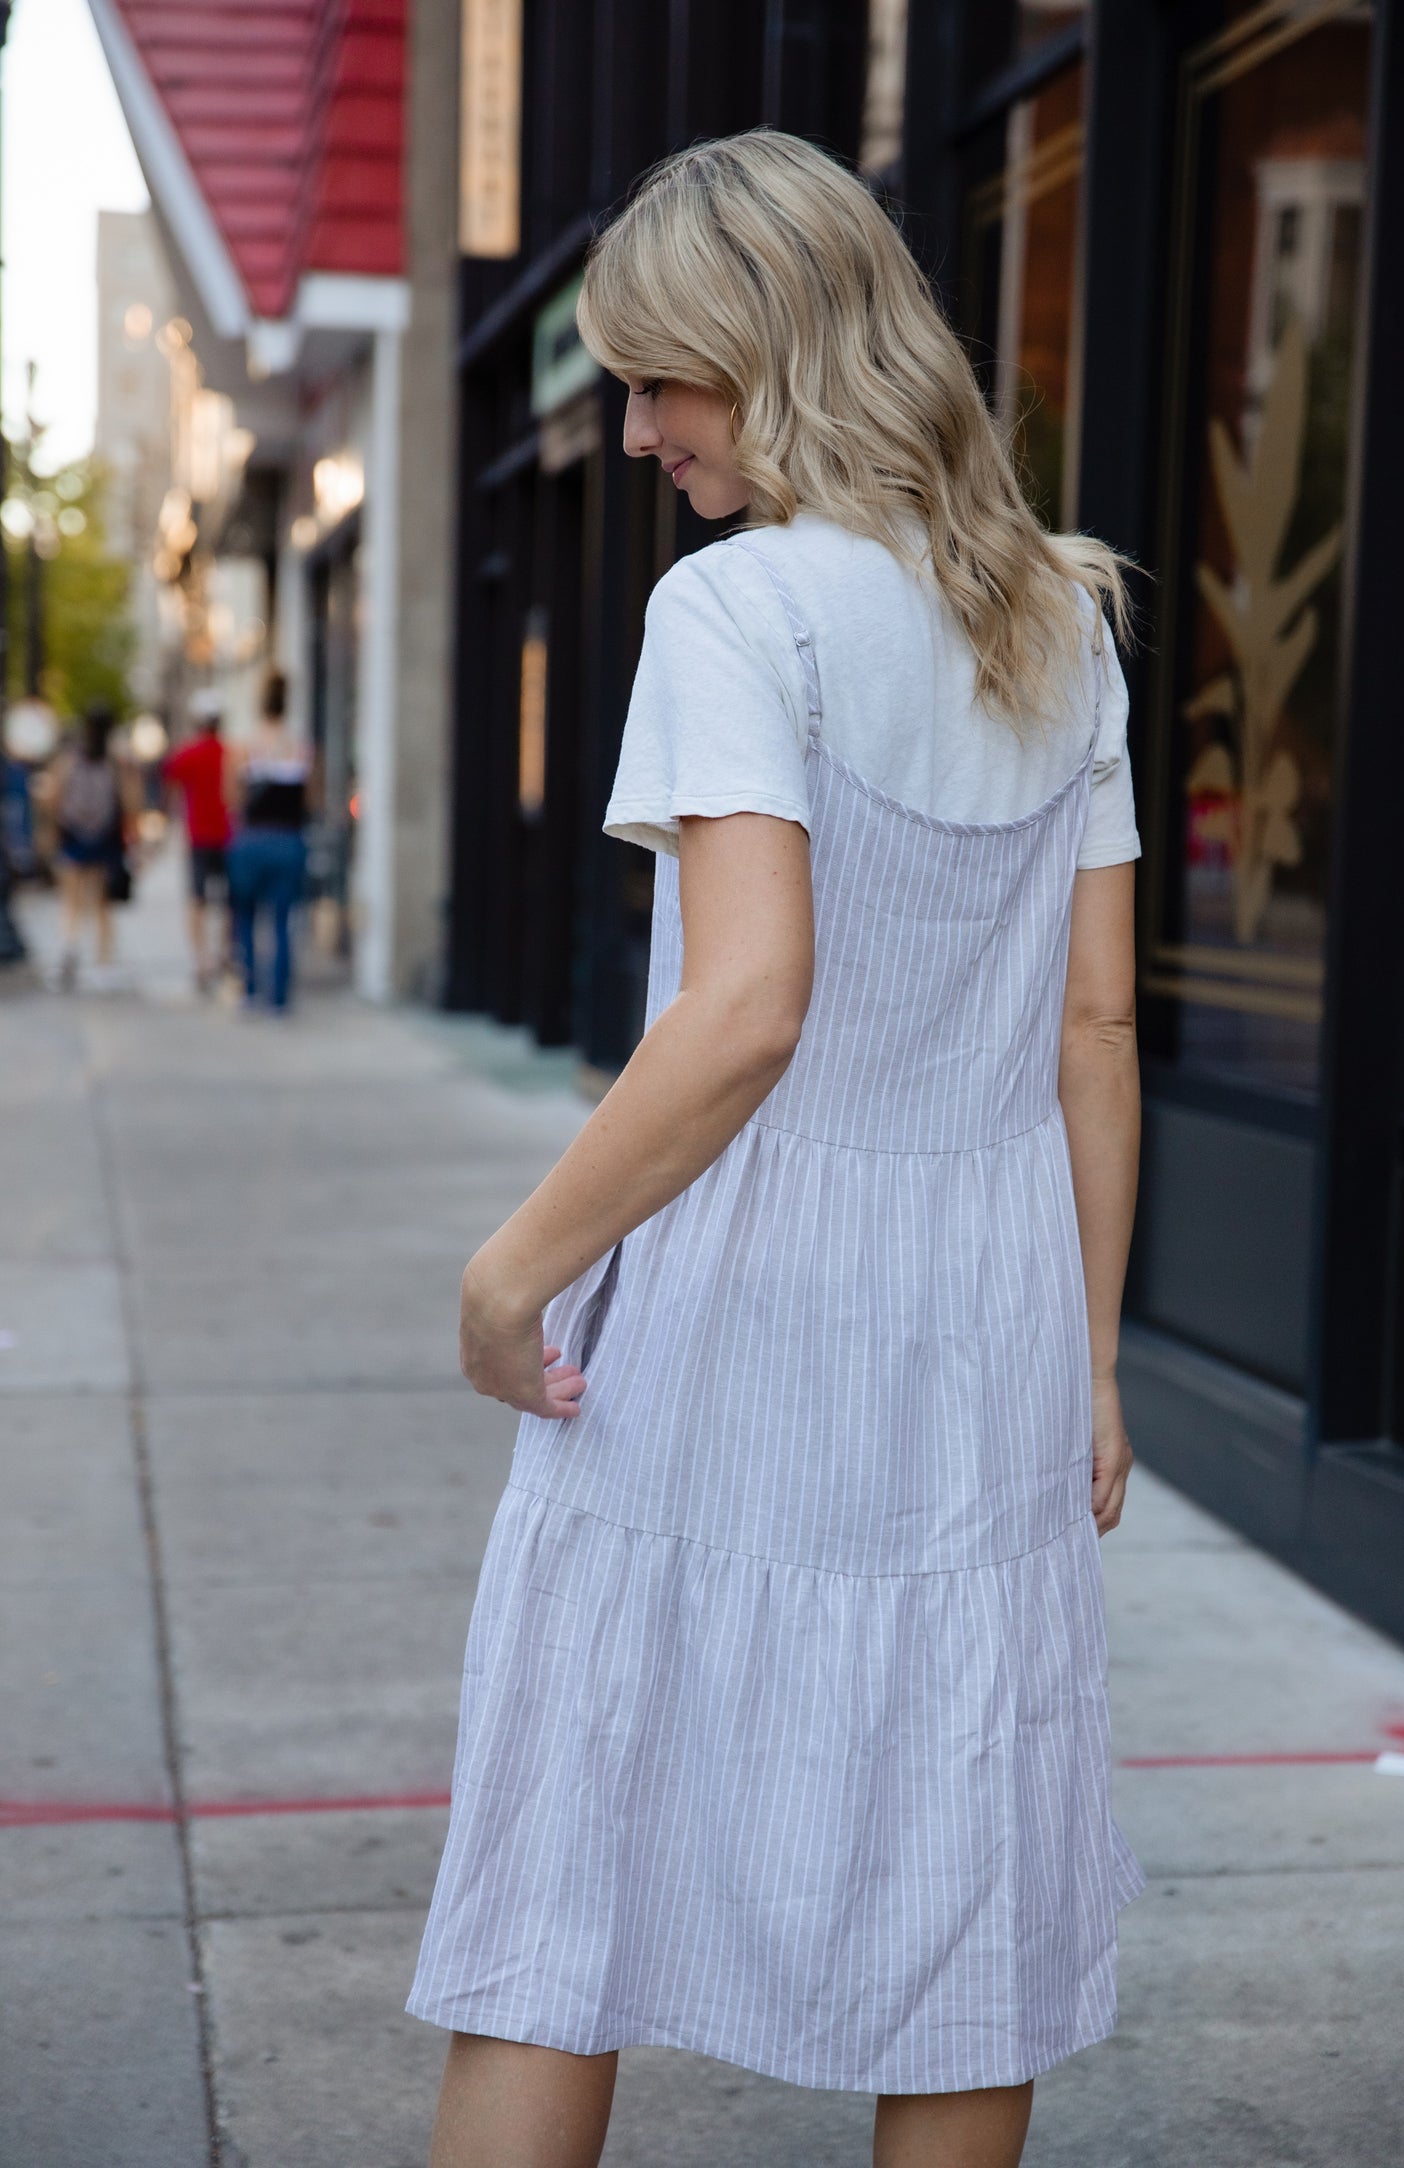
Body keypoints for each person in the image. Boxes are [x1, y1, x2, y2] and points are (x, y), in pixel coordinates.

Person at [409, 131, 1144, 2168]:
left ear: (787, 351)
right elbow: (1092, 1028)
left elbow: (740, 1011)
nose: (634, 431)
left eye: (667, 380)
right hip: (980, 1317)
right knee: (959, 1872)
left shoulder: (738, 612)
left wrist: (509, 1270)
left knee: (568, 1871)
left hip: (742, 1309)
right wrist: (1084, 1357)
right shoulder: (1063, 623)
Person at [226, 671, 310, 1011]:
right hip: (288, 840)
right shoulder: (299, 746)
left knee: (245, 917)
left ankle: (249, 988)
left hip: (252, 840)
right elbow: (311, 798)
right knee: (282, 920)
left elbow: (230, 797)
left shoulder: (244, 747)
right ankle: (279, 996)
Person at [49, 703, 127, 989]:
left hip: (73, 835)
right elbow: (129, 801)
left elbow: (54, 798)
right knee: (102, 905)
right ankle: (103, 964)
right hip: (105, 838)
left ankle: (69, 947)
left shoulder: (69, 759)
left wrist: (53, 830)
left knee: (71, 901)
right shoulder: (114, 762)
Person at [162, 688, 232, 991]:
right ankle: (223, 954)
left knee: (197, 901)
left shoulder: (187, 753)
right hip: (228, 836)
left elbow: (170, 787)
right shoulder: (230, 753)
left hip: (199, 837)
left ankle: (202, 960)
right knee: (230, 900)